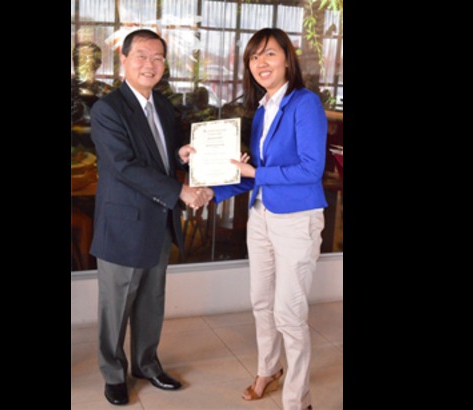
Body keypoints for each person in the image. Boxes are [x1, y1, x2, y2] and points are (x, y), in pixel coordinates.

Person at [195, 28, 328, 410]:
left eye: (269, 54)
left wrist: (253, 175)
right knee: (261, 303)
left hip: (297, 220)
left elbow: (310, 169)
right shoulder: (262, 110)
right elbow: (252, 171)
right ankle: (268, 370)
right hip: (261, 216)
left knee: (289, 312)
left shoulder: (305, 104)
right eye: (254, 57)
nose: (261, 63)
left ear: (287, 58)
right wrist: (211, 193)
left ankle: (296, 400)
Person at [88, 29, 211, 406]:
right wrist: (181, 192)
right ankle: (113, 373)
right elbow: (125, 166)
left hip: (158, 221)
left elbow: (158, 156)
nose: (150, 64)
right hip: (124, 223)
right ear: (122, 60)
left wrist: (181, 156)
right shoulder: (108, 109)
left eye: (158, 57)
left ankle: (145, 364)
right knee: (116, 305)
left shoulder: (162, 105)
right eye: (141, 55)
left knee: (151, 301)